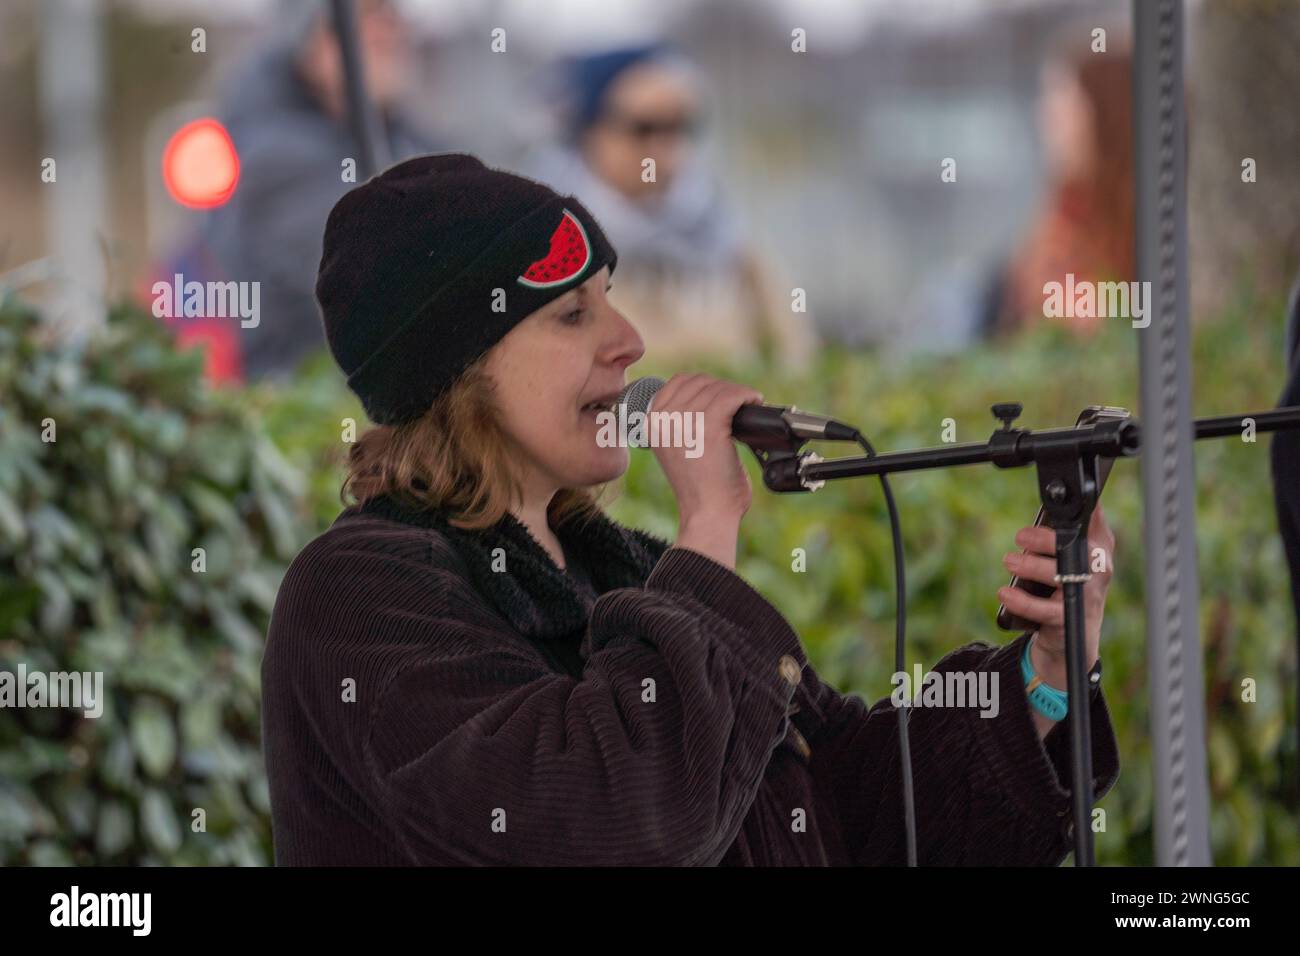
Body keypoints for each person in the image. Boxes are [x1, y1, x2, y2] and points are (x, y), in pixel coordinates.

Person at [260, 152, 1121, 866]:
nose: (628, 340)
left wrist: (1044, 677)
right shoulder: (359, 598)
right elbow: (614, 824)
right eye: (571, 313)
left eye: (610, 296)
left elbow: (844, 805)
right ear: (459, 366)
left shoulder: (620, 569)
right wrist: (707, 531)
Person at [156, 0, 442, 382]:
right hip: (298, 412)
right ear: (309, 38)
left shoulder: (410, 140)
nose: (387, 29)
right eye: (368, 15)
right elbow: (380, 280)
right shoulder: (273, 159)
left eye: (391, 13)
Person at [522, 42, 817, 374]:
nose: (664, 147)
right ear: (589, 132)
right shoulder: (544, 250)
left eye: (680, 126)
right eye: (643, 128)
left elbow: (796, 361)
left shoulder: (730, 242)